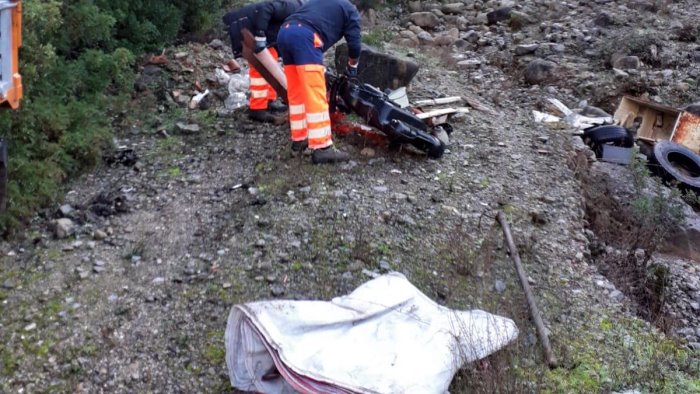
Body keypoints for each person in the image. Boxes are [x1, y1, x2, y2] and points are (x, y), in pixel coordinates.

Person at [276, 0, 361, 164]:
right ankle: (322, 147)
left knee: (297, 92)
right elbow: (355, 44)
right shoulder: (350, 10)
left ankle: (300, 138)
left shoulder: (322, 2)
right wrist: (353, 66)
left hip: (285, 33)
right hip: (305, 37)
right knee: (315, 93)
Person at [223, 0, 306, 124]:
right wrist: (260, 35)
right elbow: (267, 8)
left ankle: (269, 100)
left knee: (272, 61)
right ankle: (257, 109)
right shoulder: (294, 7)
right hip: (249, 28)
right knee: (260, 69)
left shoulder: (300, 11)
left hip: (263, 33)